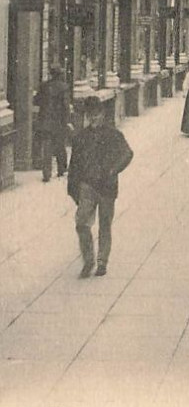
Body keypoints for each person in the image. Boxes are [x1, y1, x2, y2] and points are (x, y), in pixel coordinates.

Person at [67, 97, 134, 278]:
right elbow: (74, 165)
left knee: (105, 224)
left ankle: (102, 261)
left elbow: (128, 154)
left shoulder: (113, 135)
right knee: (81, 223)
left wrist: (113, 170)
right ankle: (88, 260)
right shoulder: (81, 137)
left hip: (107, 187)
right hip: (87, 186)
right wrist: (73, 189)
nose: (93, 118)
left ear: (103, 115)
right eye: (90, 115)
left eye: (96, 115)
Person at [35, 65, 72, 182]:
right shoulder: (64, 87)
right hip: (59, 121)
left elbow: (36, 100)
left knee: (47, 147)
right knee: (60, 145)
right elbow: (66, 106)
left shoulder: (44, 86)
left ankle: (46, 173)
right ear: (60, 75)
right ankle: (62, 169)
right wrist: (67, 121)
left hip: (45, 121)